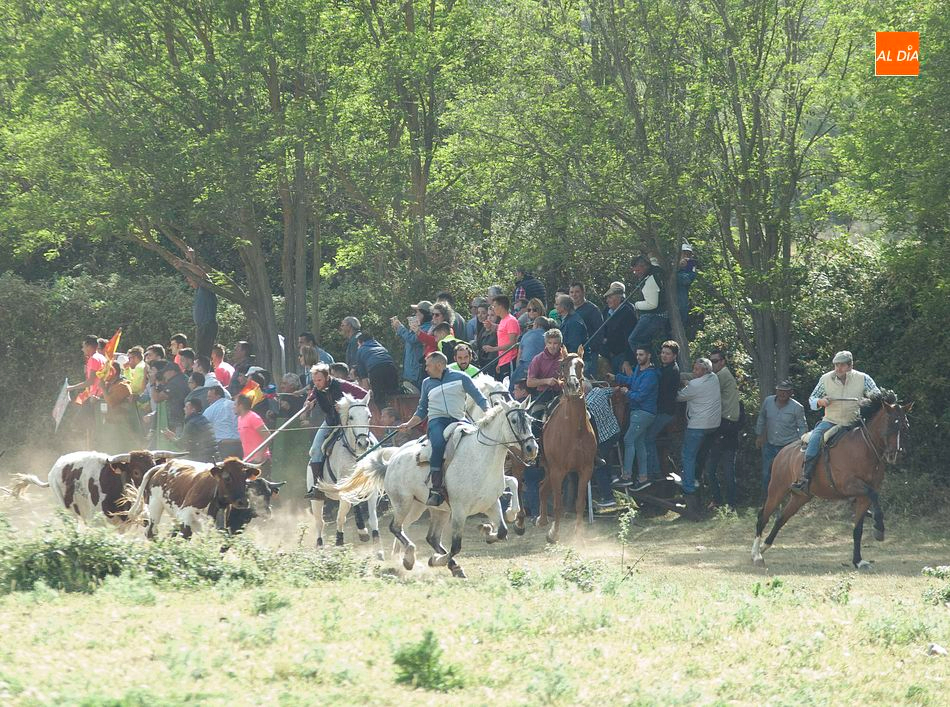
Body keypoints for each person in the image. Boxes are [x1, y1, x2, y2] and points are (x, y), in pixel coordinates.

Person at [398, 352, 488, 506]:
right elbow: (421, 410)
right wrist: (408, 424)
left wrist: (489, 413)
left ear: (439, 365)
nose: (426, 368)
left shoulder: (461, 378)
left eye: (428, 365)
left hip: (459, 420)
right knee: (438, 444)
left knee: (476, 442)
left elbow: (479, 397)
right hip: (437, 421)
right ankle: (436, 489)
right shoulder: (426, 383)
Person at [791, 350, 880, 496]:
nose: (838, 368)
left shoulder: (863, 378)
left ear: (850, 365)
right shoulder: (825, 379)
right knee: (815, 438)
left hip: (855, 423)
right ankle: (805, 478)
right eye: (836, 365)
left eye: (842, 365)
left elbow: (877, 397)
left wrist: (867, 401)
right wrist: (820, 401)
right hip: (831, 421)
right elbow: (812, 400)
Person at [303, 364, 369, 499]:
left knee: (373, 445)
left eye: (319, 380)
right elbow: (310, 398)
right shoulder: (317, 389)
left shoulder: (342, 385)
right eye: (314, 380)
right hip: (330, 422)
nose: (317, 383)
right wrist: (308, 403)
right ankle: (317, 487)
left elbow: (364, 395)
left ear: (327, 377)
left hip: (349, 422)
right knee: (315, 450)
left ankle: (375, 483)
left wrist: (346, 404)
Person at [676, 357, 722, 518]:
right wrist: (685, 376)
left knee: (687, 455)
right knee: (700, 457)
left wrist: (682, 383)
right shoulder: (714, 378)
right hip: (713, 425)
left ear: (704, 371)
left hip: (698, 425)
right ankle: (695, 479)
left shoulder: (694, 385)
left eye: (696, 370)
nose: (694, 372)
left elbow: (679, 397)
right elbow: (693, 377)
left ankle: (689, 486)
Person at [610, 347, 659, 490]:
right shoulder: (638, 368)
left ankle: (626, 476)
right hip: (637, 412)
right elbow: (632, 380)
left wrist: (627, 392)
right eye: (637, 354)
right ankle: (643, 477)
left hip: (644, 412)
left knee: (628, 439)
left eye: (641, 354)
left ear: (649, 355)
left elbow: (641, 396)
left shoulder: (651, 375)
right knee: (639, 443)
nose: (638, 357)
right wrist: (616, 377)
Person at [704, 349, 743, 510]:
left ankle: (725, 502)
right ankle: (726, 503)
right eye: (710, 361)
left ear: (722, 362)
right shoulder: (721, 375)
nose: (712, 364)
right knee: (720, 469)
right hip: (728, 426)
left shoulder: (721, 376)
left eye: (715, 361)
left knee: (716, 469)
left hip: (725, 426)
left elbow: (702, 388)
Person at [756, 380, 808, 496]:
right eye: (780, 391)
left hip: (787, 446)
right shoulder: (768, 401)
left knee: (788, 474)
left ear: (791, 393)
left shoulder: (797, 407)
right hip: (770, 444)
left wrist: (802, 443)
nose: (782, 394)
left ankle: (787, 498)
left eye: (786, 392)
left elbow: (802, 426)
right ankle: (767, 498)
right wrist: (759, 435)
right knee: (766, 473)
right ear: (776, 391)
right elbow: (762, 418)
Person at [643, 340, 680, 481]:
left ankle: (653, 473)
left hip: (665, 412)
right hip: (663, 411)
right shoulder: (665, 369)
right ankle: (654, 471)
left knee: (648, 438)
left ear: (674, 356)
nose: (664, 356)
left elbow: (659, 390)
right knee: (649, 438)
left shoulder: (671, 371)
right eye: (663, 352)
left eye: (668, 353)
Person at [628, 255, 668, 353]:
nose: (635, 273)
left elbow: (652, 304)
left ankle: (645, 363)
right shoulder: (655, 270)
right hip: (658, 314)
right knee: (645, 341)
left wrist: (636, 305)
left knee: (633, 340)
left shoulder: (650, 280)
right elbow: (654, 262)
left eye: (637, 270)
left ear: (643, 266)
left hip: (654, 315)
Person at [601, 282, 637, 374]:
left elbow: (630, 338)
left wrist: (627, 360)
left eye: (611, 297)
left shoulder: (628, 312)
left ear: (620, 297)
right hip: (610, 355)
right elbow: (603, 330)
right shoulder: (606, 310)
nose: (608, 300)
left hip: (623, 356)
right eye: (607, 297)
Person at [355, 332, 398, 408]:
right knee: (394, 394)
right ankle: (396, 414)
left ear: (362, 342)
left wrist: (368, 393)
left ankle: (384, 415)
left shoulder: (361, 350)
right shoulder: (381, 347)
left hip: (376, 369)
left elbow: (363, 376)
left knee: (379, 399)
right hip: (391, 368)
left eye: (358, 344)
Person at [165, 398, 216, 462]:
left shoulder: (191, 424)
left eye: (186, 407)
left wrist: (171, 438)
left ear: (193, 410)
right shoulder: (203, 419)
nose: (184, 409)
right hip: (212, 456)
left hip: (201, 458)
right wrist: (175, 437)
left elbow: (181, 445)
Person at [393, 305, 429, 393]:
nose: (415, 315)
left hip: (418, 371)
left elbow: (412, 339)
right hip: (412, 370)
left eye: (418, 313)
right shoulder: (419, 327)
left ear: (425, 315)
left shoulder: (427, 328)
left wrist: (400, 328)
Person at [570, 282, 604, 373]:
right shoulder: (569, 309)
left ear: (583, 292)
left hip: (589, 356)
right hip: (572, 354)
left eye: (577, 292)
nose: (574, 294)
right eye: (571, 292)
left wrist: (590, 348)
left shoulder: (592, 310)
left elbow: (600, 333)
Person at [486, 296, 520, 381]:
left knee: (508, 387)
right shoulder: (503, 320)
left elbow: (513, 344)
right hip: (503, 361)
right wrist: (499, 362)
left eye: (494, 306)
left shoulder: (511, 321)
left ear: (501, 306)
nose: (493, 309)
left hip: (510, 361)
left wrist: (493, 349)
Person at [235, 394, 271, 473]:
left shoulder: (253, 417)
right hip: (248, 460)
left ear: (240, 406)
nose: (233, 407)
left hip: (259, 460)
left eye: (235, 404)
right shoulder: (239, 419)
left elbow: (267, 435)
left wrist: (260, 455)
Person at [204, 385, 242, 459]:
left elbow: (204, 427)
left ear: (218, 396)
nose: (207, 399)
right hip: (239, 442)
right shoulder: (234, 405)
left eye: (210, 396)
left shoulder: (209, 410)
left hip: (223, 444)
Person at [511, 315, 551, 384]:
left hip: (525, 366)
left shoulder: (527, 334)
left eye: (533, 325)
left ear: (537, 325)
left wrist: (518, 368)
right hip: (540, 370)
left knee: (513, 387)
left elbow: (519, 354)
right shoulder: (548, 337)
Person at [67, 335, 108, 400]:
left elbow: (90, 381)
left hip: (96, 396)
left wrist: (71, 387)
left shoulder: (93, 359)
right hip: (103, 395)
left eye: (83, 346)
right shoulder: (102, 357)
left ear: (88, 347)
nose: (82, 349)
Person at [190, 273, 218, 358]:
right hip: (201, 326)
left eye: (190, 281)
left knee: (203, 354)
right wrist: (192, 260)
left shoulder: (205, 288)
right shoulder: (199, 290)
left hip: (207, 325)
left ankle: (203, 369)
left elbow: (201, 273)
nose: (190, 284)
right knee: (200, 352)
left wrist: (184, 264)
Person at [676, 243, 697, 331]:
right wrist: (677, 266)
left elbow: (686, 280)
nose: (686, 256)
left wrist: (683, 268)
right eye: (684, 253)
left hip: (682, 298)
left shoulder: (691, 266)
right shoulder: (673, 264)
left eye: (688, 254)